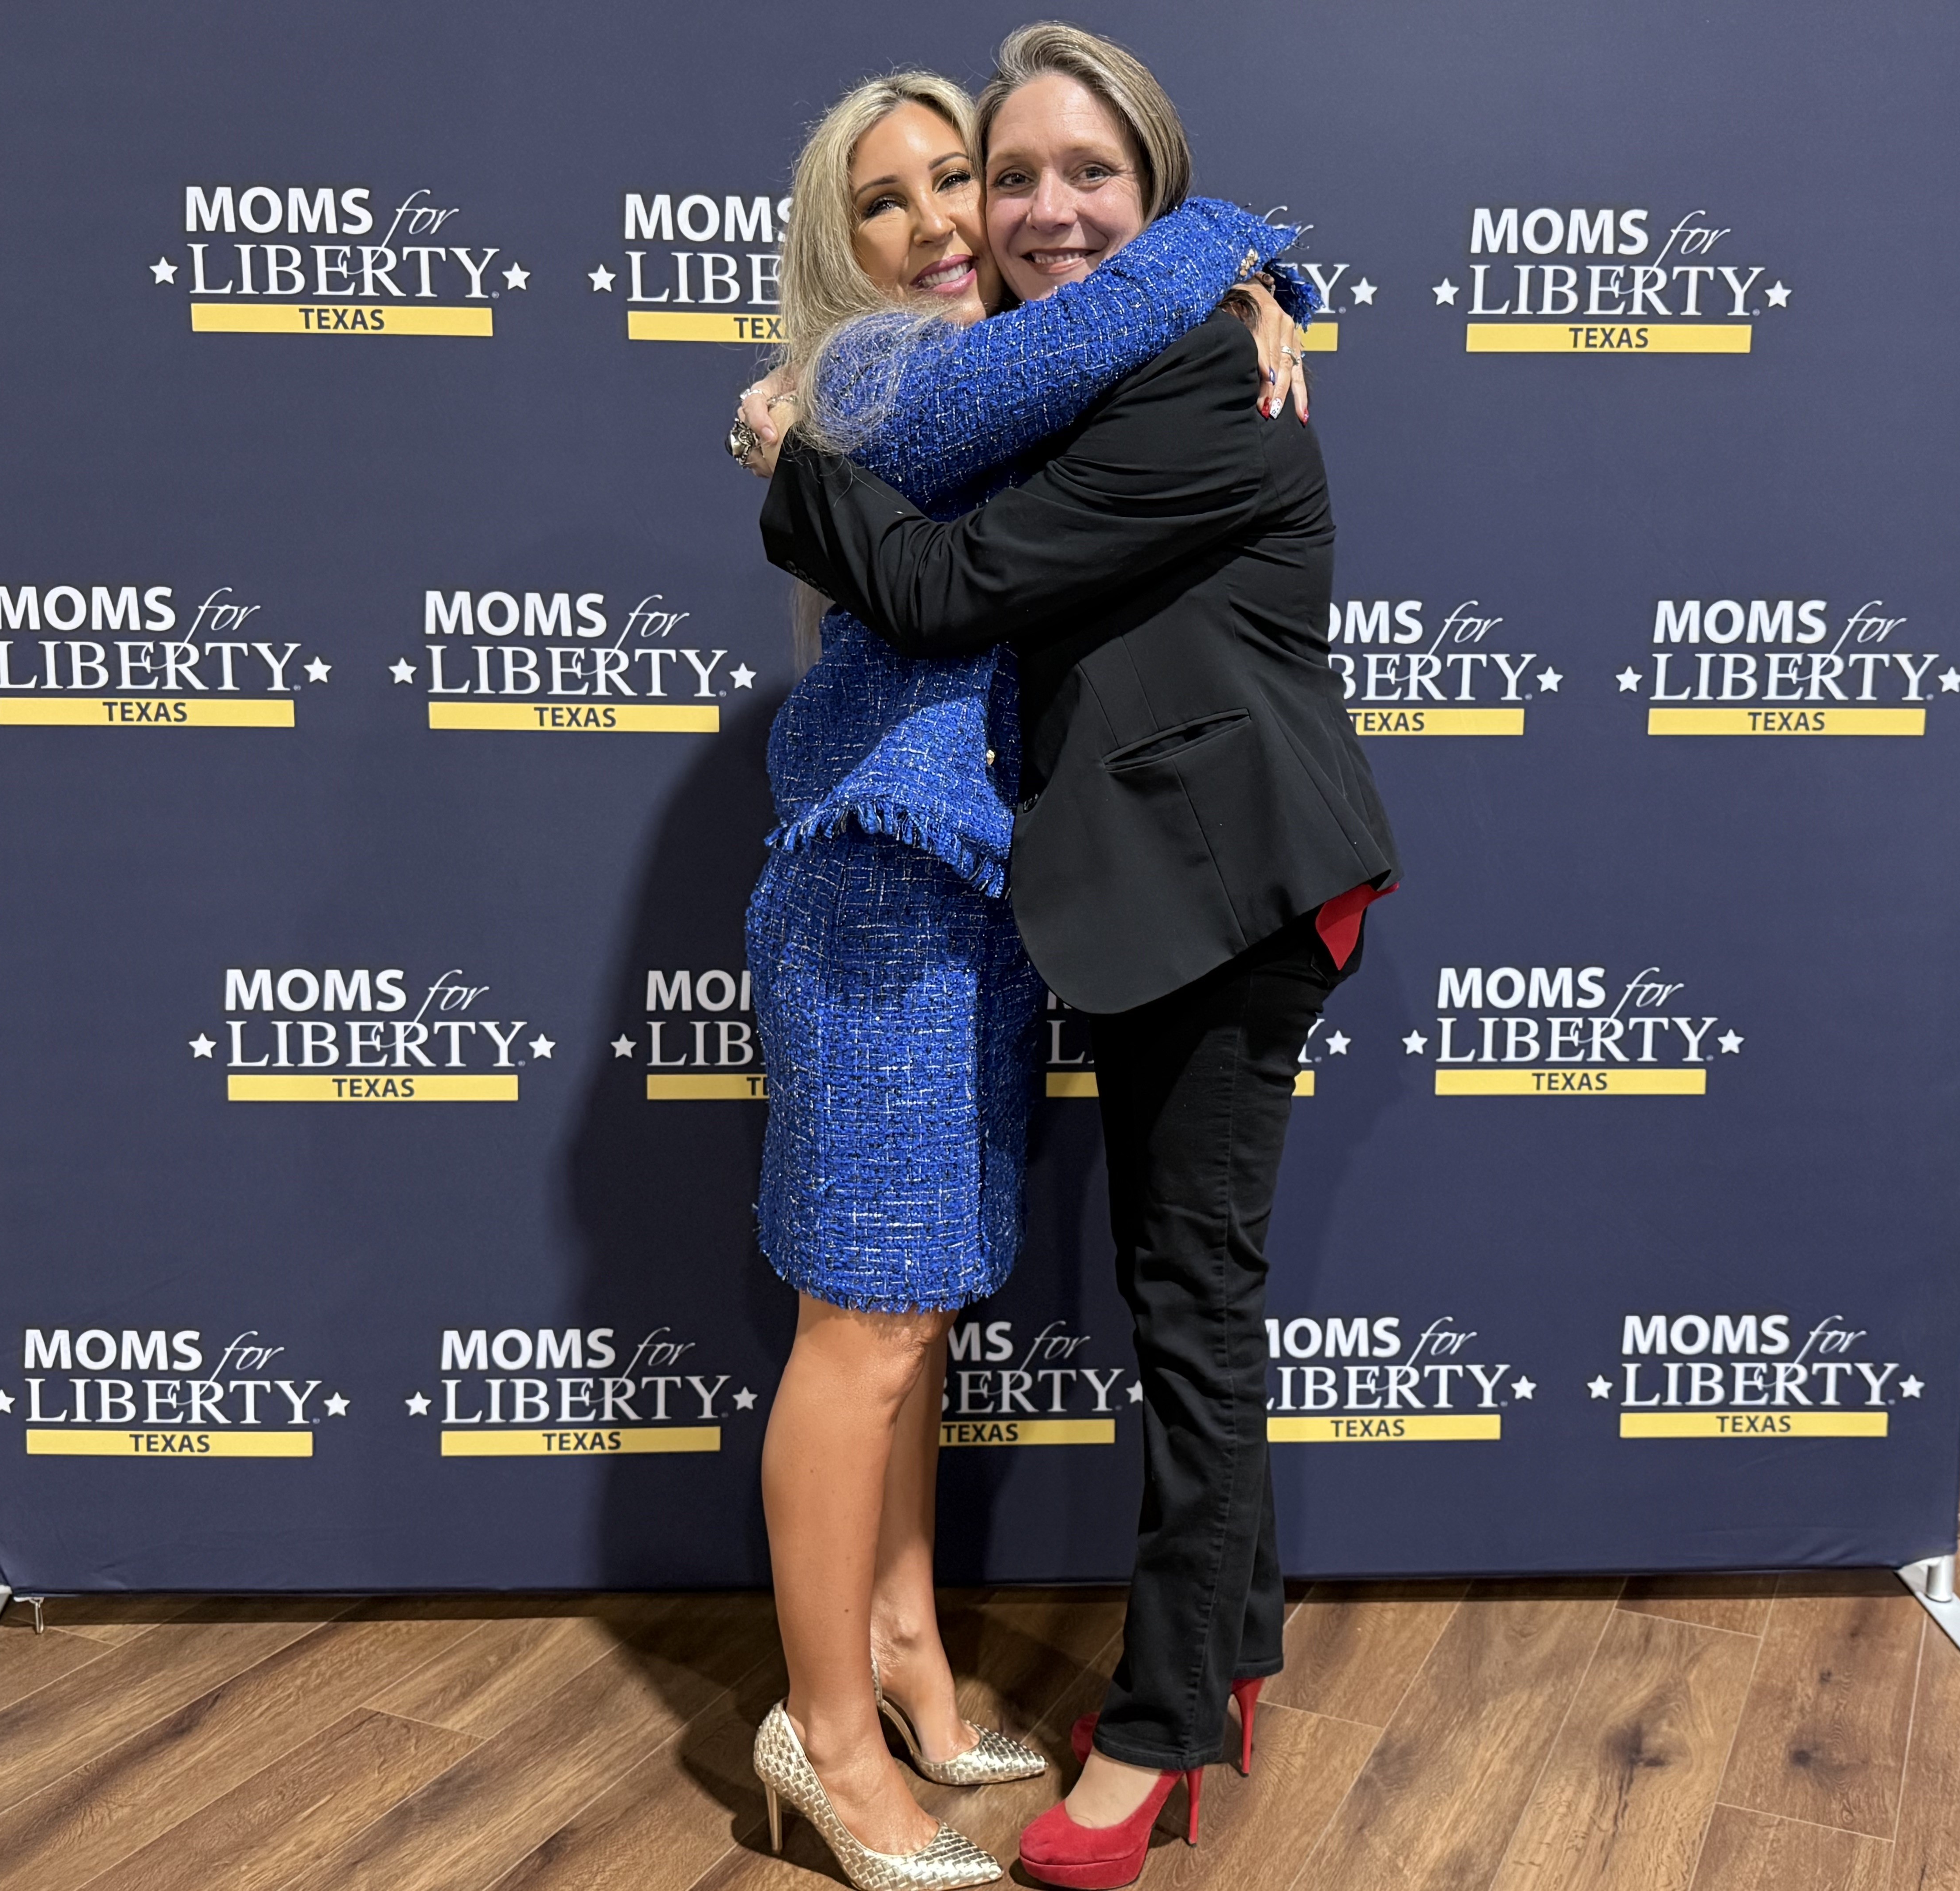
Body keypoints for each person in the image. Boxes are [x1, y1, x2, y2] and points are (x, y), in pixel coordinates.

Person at [759, 25, 1398, 1891]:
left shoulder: (1178, 359)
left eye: (1062, 175)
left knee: (1176, 1305)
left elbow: (952, 584)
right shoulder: (916, 370)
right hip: (972, 891)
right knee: (965, 1313)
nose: (1004, 212)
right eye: (992, 176)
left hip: (1217, 891)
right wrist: (1238, 259)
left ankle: (1162, 1723)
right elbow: (956, 507)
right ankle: (886, 1710)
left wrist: (1242, 261)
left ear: (1154, 186)